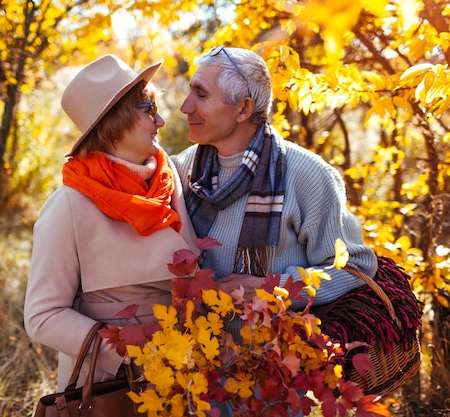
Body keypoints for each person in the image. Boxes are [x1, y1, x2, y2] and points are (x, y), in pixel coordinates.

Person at [24, 54, 198, 391]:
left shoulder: (169, 179)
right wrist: (129, 353)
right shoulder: (68, 206)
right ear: (114, 123)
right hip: (109, 386)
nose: (161, 121)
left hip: (181, 377)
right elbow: (42, 317)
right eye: (149, 110)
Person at [172, 46, 378, 310]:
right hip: (198, 347)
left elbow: (355, 267)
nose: (185, 106)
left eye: (201, 94)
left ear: (243, 109)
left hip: (277, 347)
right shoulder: (184, 168)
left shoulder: (307, 175)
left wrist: (269, 288)